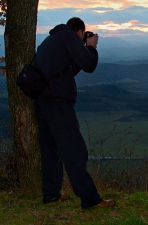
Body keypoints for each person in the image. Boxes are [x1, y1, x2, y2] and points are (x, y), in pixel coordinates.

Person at [33, 17, 115, 209]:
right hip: (58, 102)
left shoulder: (51, 40)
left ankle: (51, 194)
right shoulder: (69, 37)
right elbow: (89, 64)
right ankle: (90, 199)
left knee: (50, 150)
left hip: (41, 102)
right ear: (79, 32)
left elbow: (66, 72)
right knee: (74, 150)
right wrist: (91, 47)